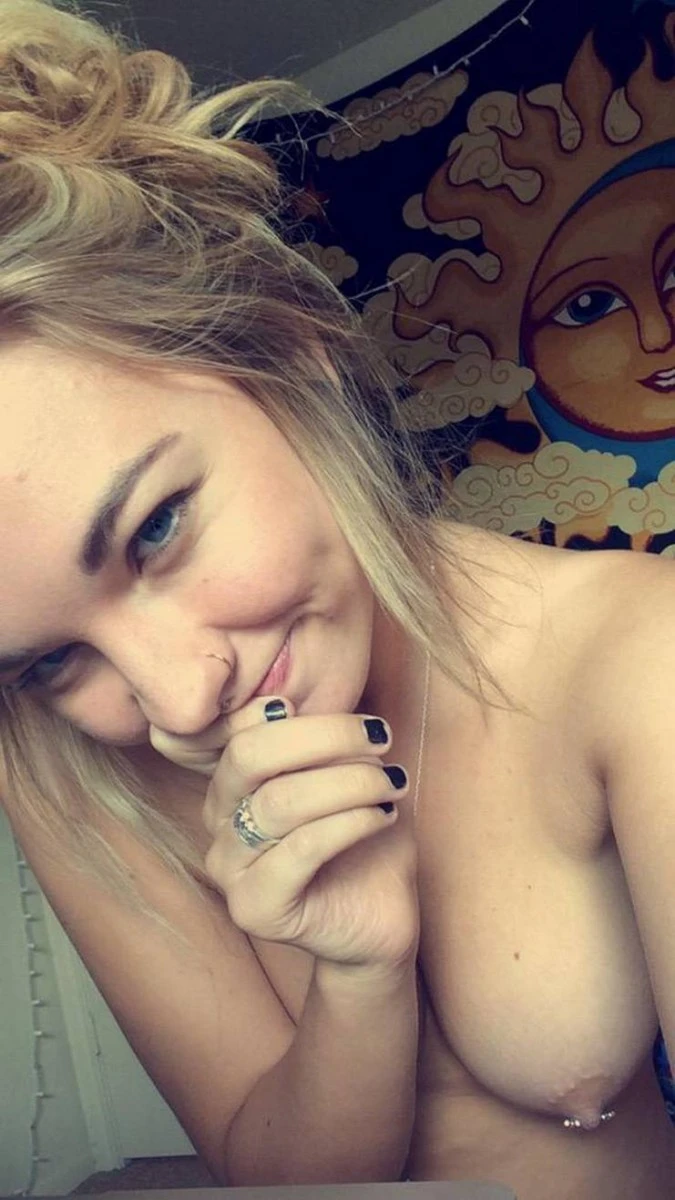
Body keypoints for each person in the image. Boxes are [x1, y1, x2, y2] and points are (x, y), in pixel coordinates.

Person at [1, 2, 675, 1197]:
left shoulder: (632, 649)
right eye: (48, 659)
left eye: (155, 529)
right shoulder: (63, 764)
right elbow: (271, 1168)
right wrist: (359, 977)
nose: (176, 702)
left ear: (289, 353)